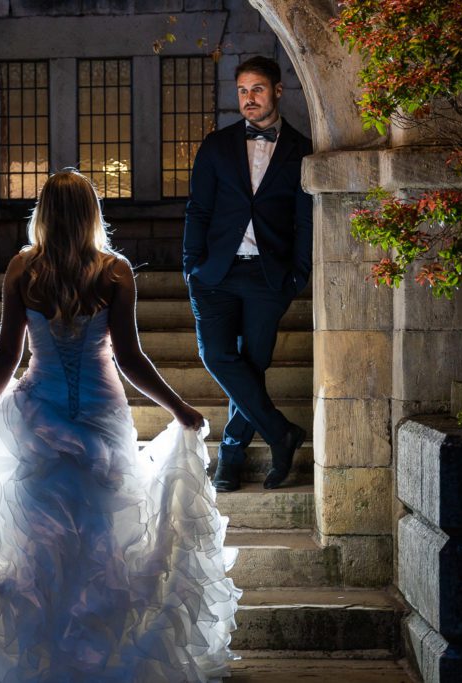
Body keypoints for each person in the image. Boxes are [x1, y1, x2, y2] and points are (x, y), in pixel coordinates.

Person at [0, 169, 241, 682]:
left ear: (44, 215)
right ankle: (94, 651)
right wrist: (178, 407)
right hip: (100, 414)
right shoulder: (115, 271)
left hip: (38, 416)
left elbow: (8, 354)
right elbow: (130, 358)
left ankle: (40, 653)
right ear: (93, 214)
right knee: (101, 536)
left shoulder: (22, 269)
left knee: (38, 539)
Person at [183, 56, 313, 493]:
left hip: (268, 276)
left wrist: (299, 273)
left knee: (253, 366)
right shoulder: (217, 146)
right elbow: (198, 209)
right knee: (218, 356)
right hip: (216, 274)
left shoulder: (301, 149)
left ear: (278, 90)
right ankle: (281, 433)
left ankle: (231, 459)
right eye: (242, 90)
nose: (249, 99)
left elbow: (305, 219)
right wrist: (191, 268)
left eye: (257, 89)